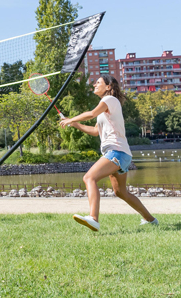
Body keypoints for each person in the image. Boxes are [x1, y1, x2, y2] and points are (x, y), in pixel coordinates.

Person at [59, 74, 158, 232]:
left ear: (108, 87)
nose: (94, 85)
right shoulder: (105, 106)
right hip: (122, 153)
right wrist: (75, 124)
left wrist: (70, 120)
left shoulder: (110, 100)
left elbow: (90, 114)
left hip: (116, 151)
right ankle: (151, 220)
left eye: (98, 83)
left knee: (89, 177)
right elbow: (95, 131)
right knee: (121, 192)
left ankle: (93, 219)